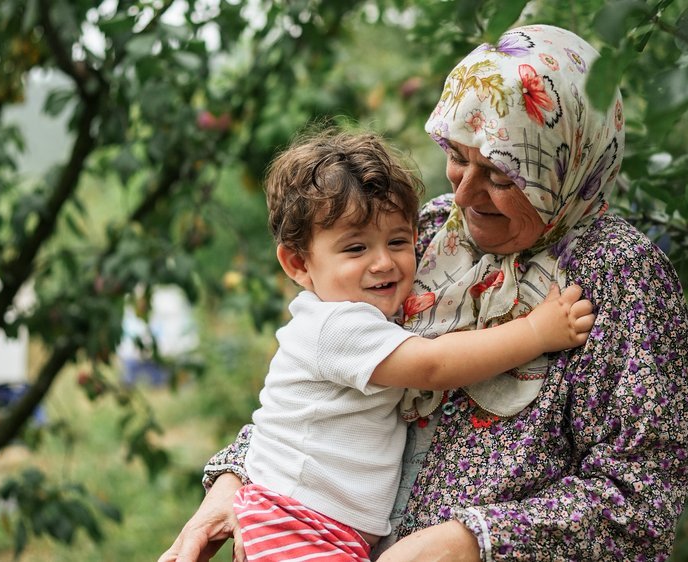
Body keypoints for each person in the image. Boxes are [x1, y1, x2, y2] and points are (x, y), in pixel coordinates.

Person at [160, 23, 688, 562]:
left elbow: (638, 503)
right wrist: (237, 480)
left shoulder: (622, 277)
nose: (463, 192)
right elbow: (323, 392)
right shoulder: (430, 229)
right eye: (458, 156)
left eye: (501, 175)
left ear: (568, 162)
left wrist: (471, 542)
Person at [227, 128, 594, 562]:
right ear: (298, 263)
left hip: (322, 527)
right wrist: (536, 331)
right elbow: (434, 366)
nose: (383, 262)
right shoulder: (337, 326)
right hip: (297, 522)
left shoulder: (362, 315)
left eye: (399, 241)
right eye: (356, 248)